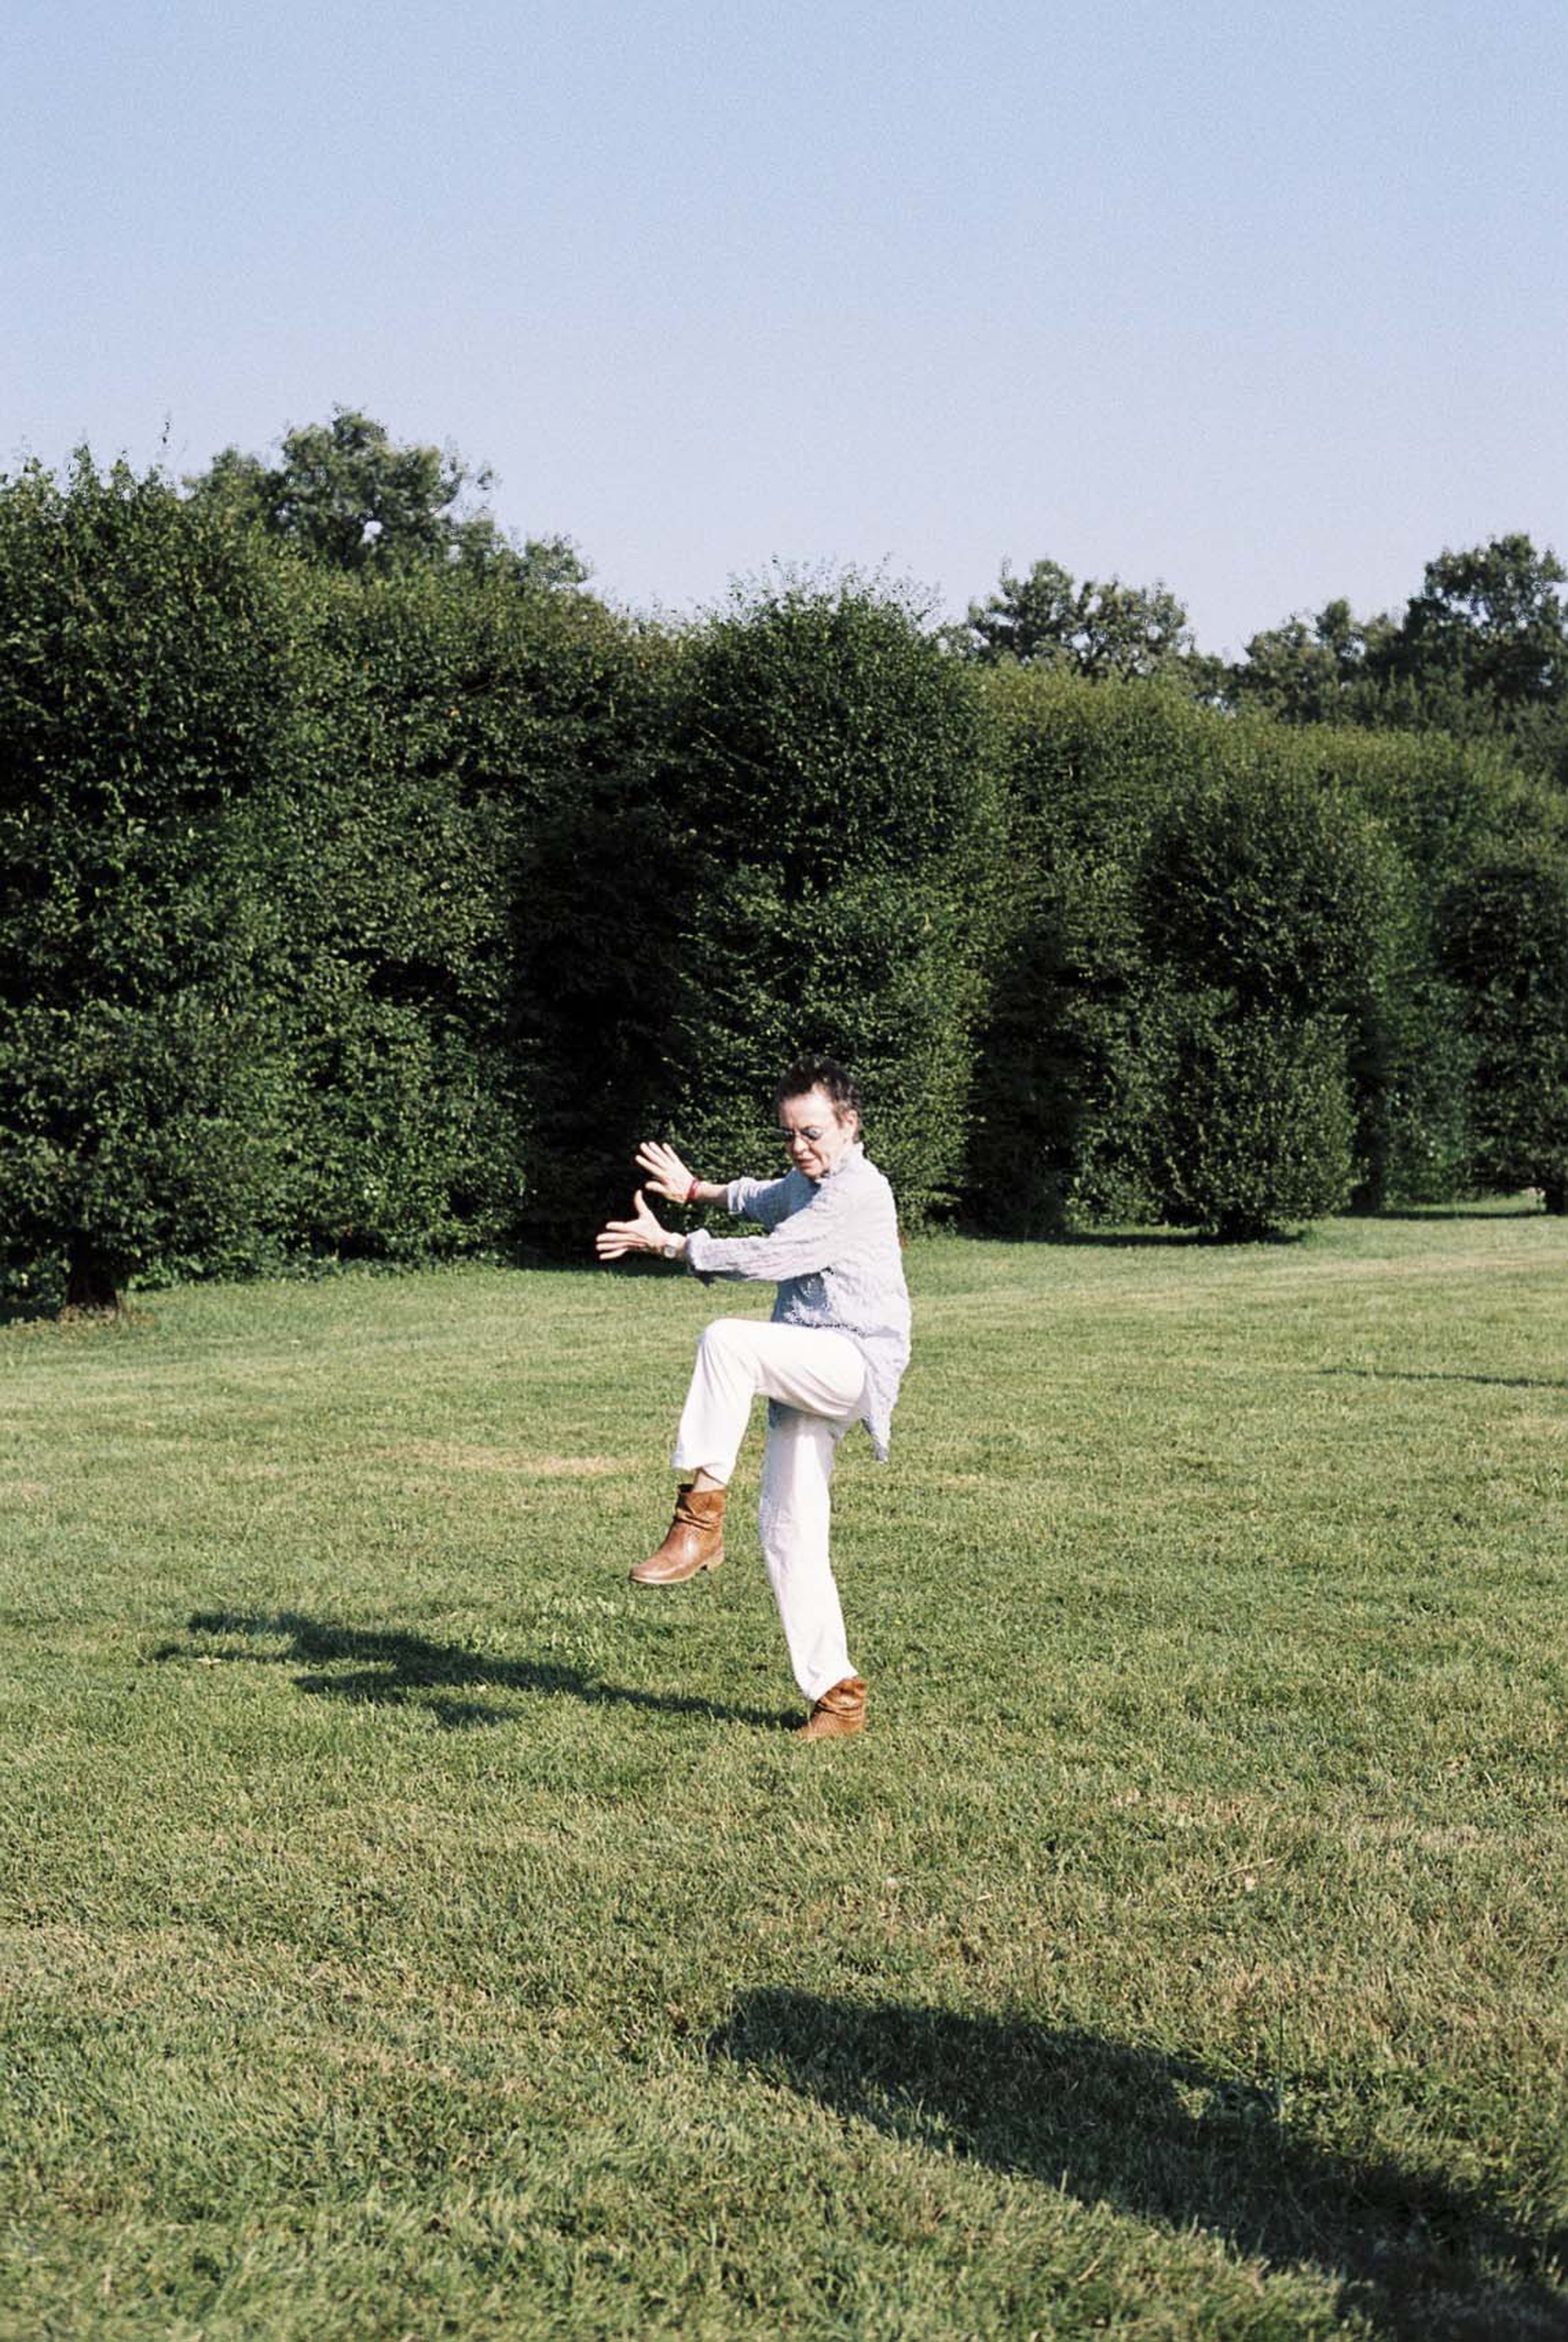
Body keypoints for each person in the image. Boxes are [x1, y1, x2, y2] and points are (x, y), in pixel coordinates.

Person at [594, 1056, 911, 1741]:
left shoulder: (856, 1193)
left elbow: (775, 1256)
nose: (801, 1146)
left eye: (814, 1132)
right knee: (788, 1531)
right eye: (791, 1133)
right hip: (802, 1366)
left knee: (728, 1340)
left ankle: (699, 1521)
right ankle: (838, 1696)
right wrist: (696, 1188)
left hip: (853, 1360)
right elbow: (756, 1197)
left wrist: (676, 1245)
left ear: (850, 1125)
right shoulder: (803, 1182)